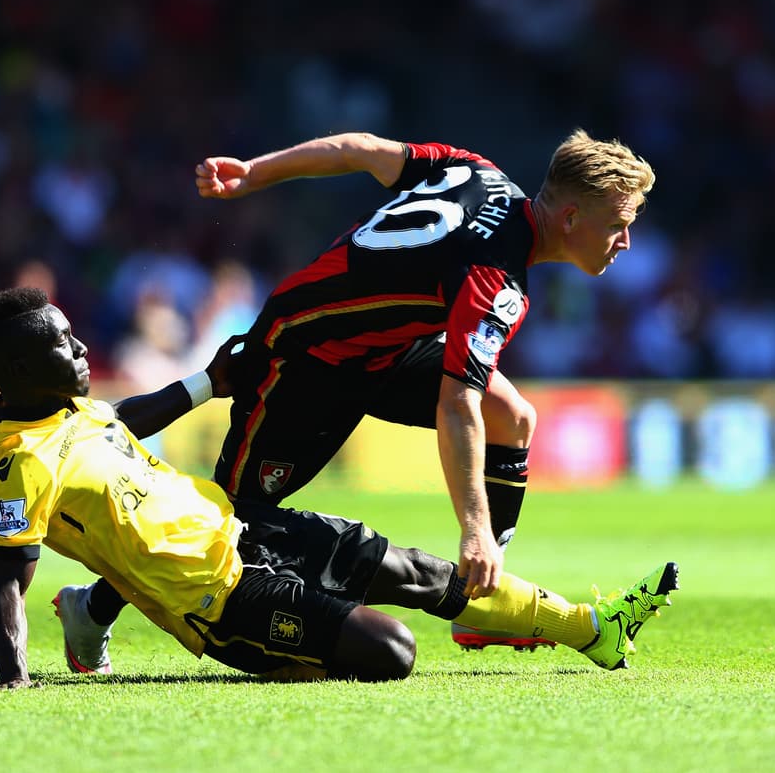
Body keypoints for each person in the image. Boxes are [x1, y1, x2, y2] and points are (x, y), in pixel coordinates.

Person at [0, 287, 678, 688]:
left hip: (245, 528)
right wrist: (14, 679)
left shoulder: (76, 410)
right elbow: (7, 578)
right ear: (22, 366)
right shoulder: (20, 462)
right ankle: (278, 642)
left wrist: (207, 382)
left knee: (419, 570)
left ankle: (593, 630)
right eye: (64, 343)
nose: (83, 348)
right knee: (392, 651)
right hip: (220, 600)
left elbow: (125, 415)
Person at [193, 129, 656, 653]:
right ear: (570, 219)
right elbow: (457, 403)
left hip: (384, 349)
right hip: (306, 356)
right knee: (230, 519)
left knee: (513, 418)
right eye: (617, 226)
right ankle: (94, 605)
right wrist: (474, 530)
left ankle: (485, 607)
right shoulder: (495, 280)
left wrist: (255, 171)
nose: (625, 242)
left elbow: (359, 148)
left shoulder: (477, 170)